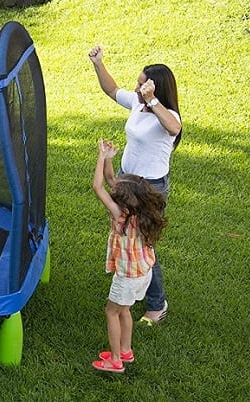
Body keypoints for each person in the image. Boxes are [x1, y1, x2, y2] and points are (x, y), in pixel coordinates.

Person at [88, 46, 182, 326]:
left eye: (142, 83)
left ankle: (157, 304)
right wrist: (98, 64)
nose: (136, 86)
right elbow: (112, 89)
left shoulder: (168, 114)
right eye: (139, 82)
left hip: (150, 187)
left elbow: (174, 129)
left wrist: (151, 100)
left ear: (156, 88)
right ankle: (134, 284)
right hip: (125, 178)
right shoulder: (137, 104)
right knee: (128, 237)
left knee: (143, 243)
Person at [91, 139, 167, 373]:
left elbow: (99, 187)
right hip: (142, 274)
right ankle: (126, 350)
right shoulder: (142, 212)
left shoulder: (120, 215)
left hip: (127, 277)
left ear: (123, 200)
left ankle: (115, 360)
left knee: (112, 311)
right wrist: (110, 158)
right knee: (124, 310)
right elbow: (113, 183)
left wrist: (101, 156)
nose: (115, 185)